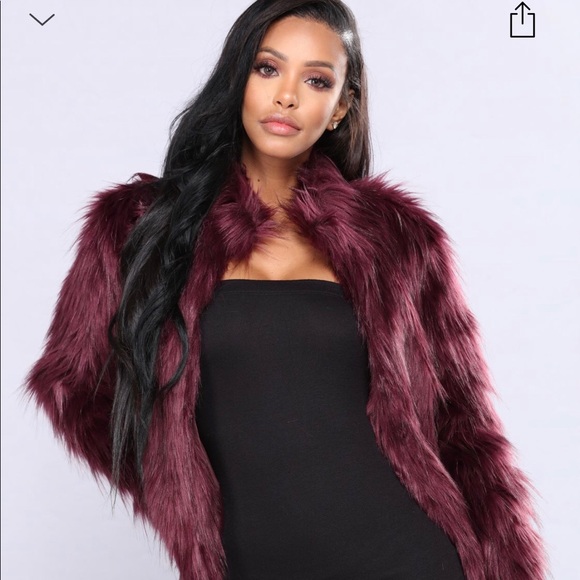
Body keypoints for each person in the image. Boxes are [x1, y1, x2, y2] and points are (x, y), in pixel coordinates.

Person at [23, 1, 548, 579]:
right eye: (268, 68)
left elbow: (466, 431)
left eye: (316, 80)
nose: (287, 96)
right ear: (238, 77)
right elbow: (73, 386)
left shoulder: (398, 240)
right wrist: (185, 497)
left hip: (410, 559)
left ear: (340, 107)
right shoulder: (138, 228)